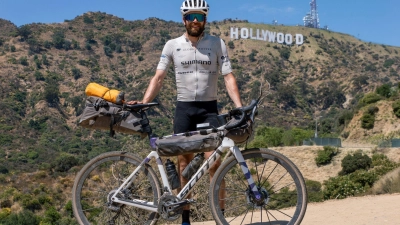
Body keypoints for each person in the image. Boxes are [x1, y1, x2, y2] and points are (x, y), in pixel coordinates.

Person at [129, 0, 242, 224]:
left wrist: (239, 107)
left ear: (205, 20)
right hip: (184, 109)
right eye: (190, 16)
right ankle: (186, 219)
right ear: (183, 19)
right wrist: (143, 101)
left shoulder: (217, 44)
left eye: (199, 17)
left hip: (209, 108)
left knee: (214, 162)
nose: (194, 21)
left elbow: (228, 77)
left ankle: (220, 216)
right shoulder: (172, 45)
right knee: (183, 164)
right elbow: (159, 77)